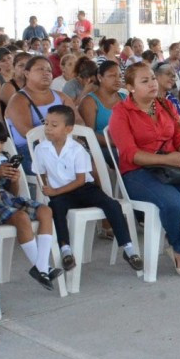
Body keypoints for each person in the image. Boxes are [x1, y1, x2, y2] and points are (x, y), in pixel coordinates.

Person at [108, 64, 180, 276]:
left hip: (170, 168)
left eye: (152, 79)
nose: (152, 84)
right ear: (130, 87)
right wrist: (169, 159)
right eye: (144, 81)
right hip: (137, 172)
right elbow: (130, 154)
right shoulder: (121, 113)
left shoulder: (165, 105)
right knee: (172, 202)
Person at [33, 105, 141, 272]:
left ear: (68, 129)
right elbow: (41, 174)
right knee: (56, 207)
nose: (48, 129)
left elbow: (80, 180)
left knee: (112, 205)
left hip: (83, 188)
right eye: (46, 124)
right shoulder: (40, 149)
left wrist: (55, 192)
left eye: (54, 125)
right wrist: (47, 190)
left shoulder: (77, 149)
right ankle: (66, 250)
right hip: (60, 194)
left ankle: (128, 248)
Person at [0, 115, 62, 289]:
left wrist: (14, 180)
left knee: (45, 211)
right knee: (21, 217)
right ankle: (43, 269)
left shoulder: (4, 157)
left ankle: (41, 266)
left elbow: (13, 193)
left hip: (7, 198)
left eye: (1, 143)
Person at [7, 56, 81, 172]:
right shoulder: (18, 99)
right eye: (40, 69)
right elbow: (27, 132)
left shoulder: (61, 97)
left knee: (91, 165)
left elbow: (79, 121)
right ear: (27, 73)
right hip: (30, 150)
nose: (46, 73)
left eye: (49, 70)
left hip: (62, 145)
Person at [78, 61, 128, 163]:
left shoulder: (125, 98)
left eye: (120, 75)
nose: (118, 79)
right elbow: (88, 135)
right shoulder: (89, 102)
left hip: (126, 144)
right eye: (112, 76)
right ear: (100, 77)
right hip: (103, 148)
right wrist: (116, 143)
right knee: (131, 158)